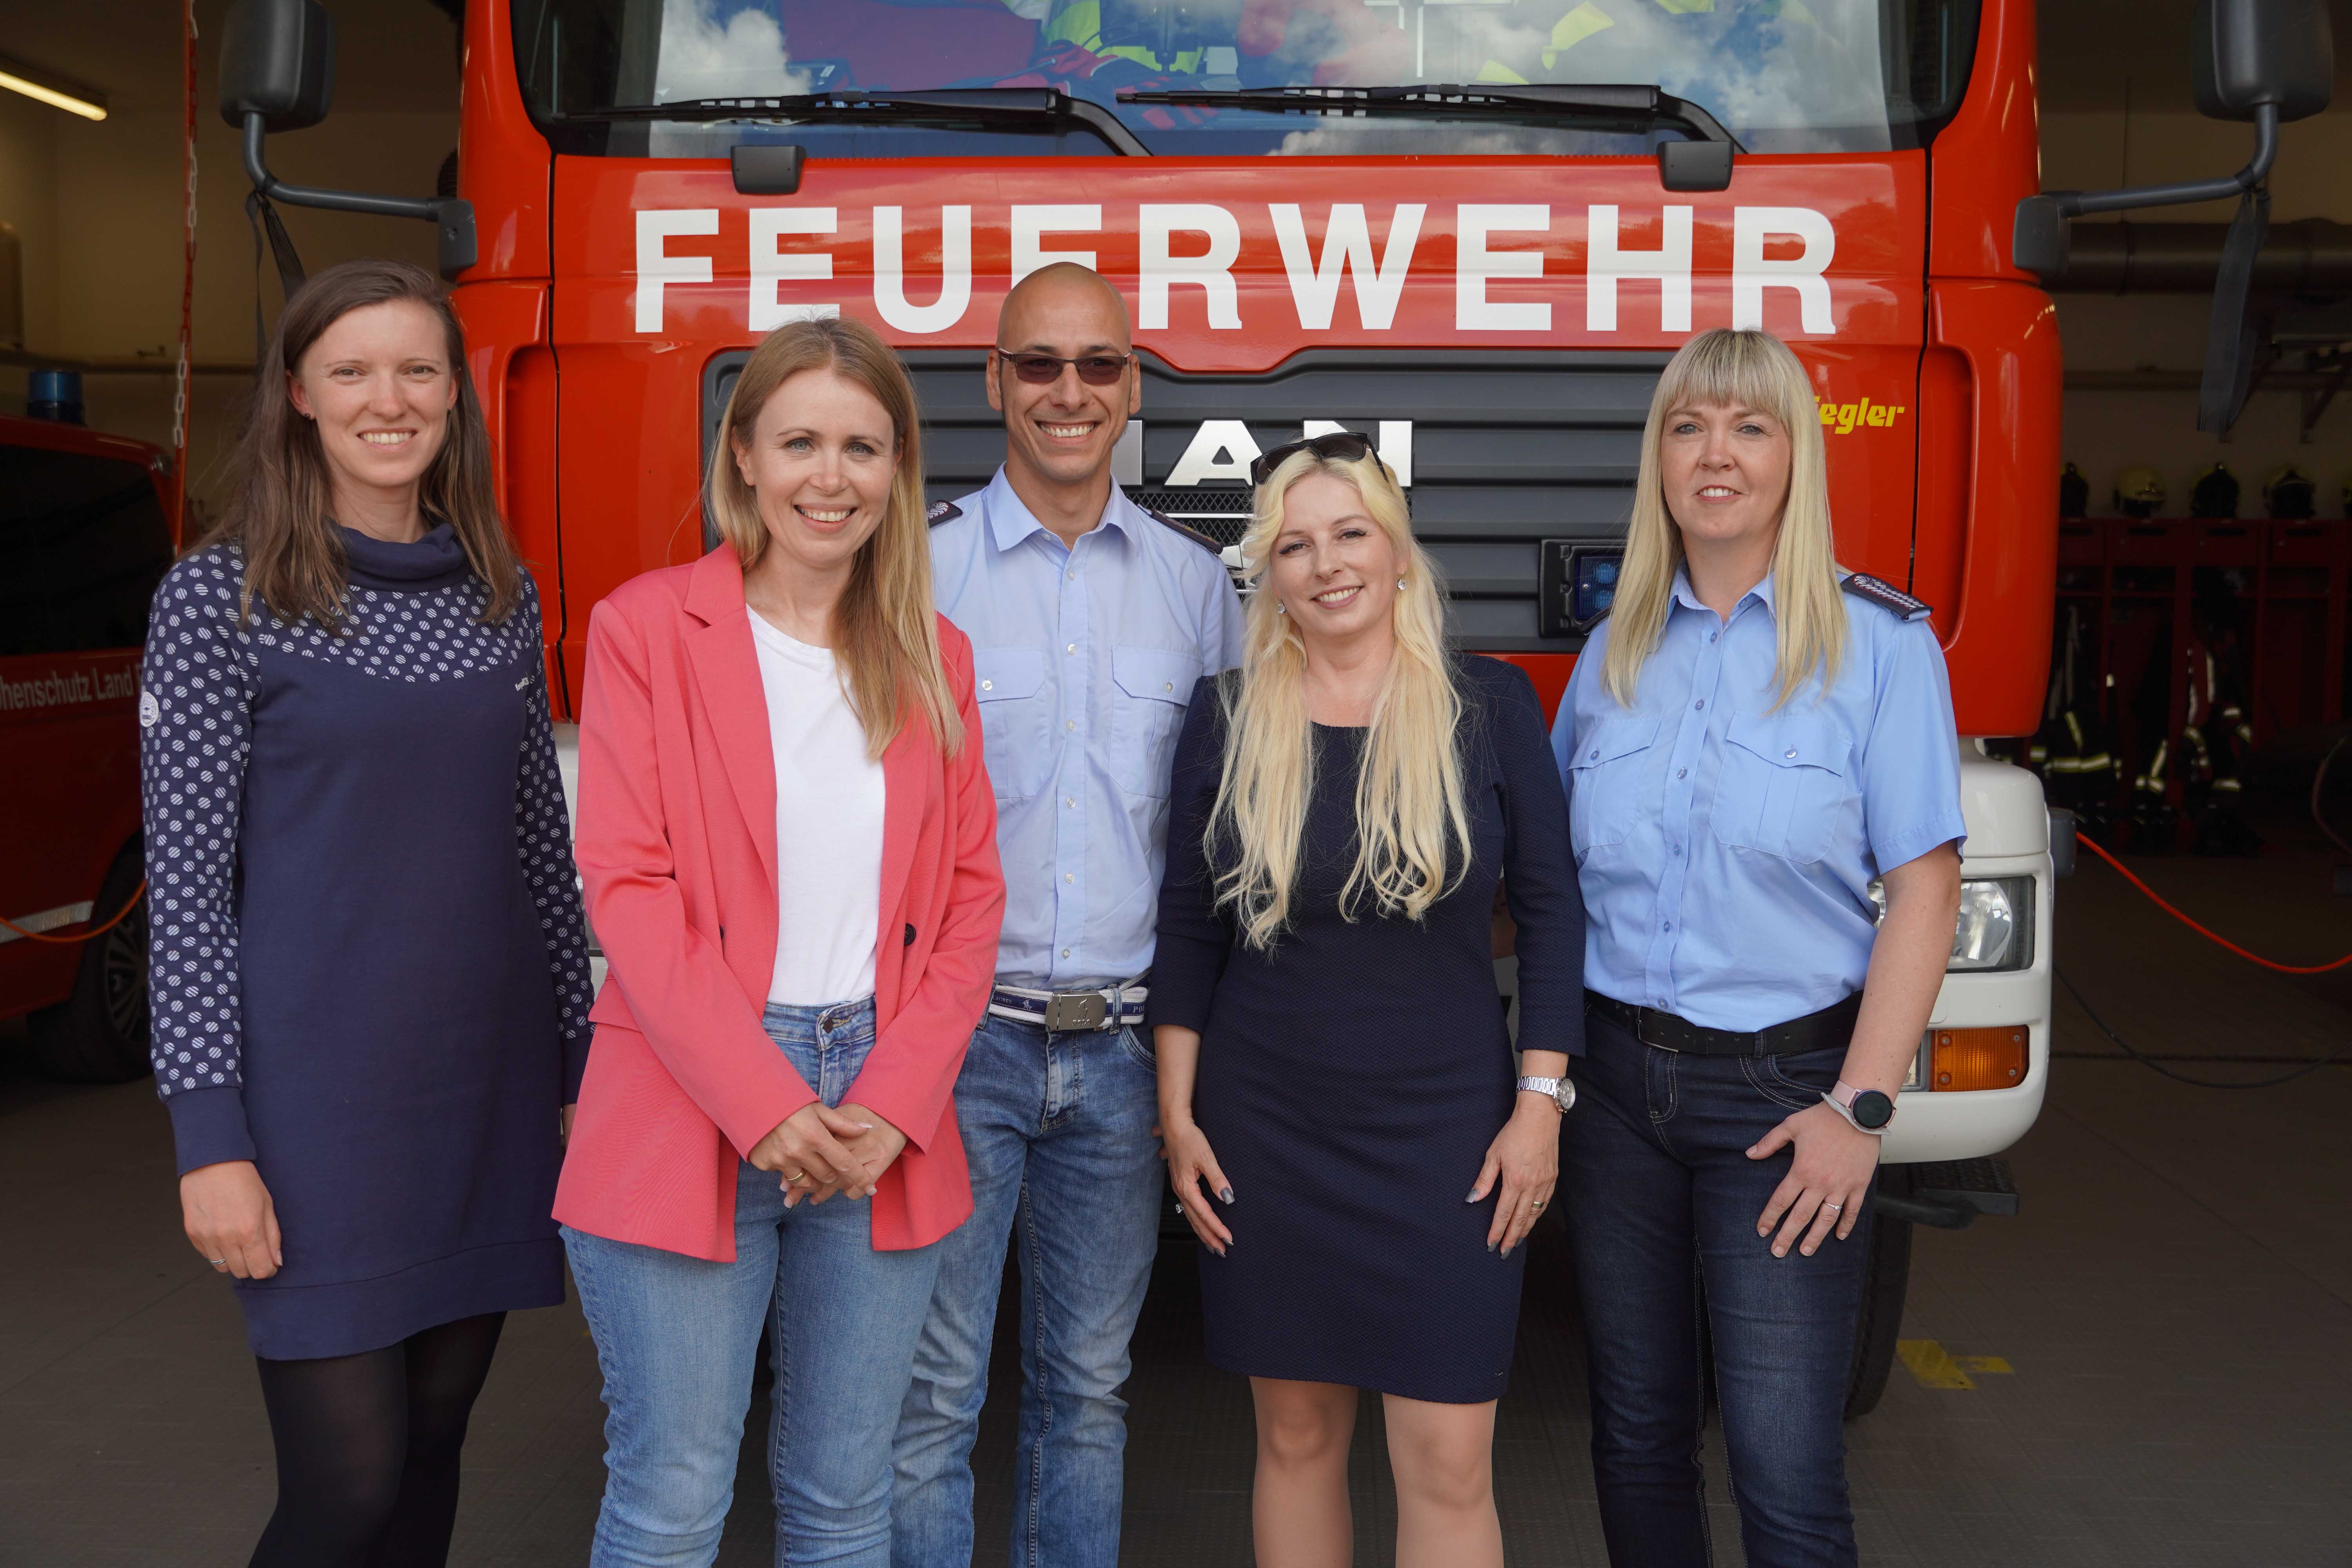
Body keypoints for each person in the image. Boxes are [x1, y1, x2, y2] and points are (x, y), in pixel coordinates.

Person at [141, 258, 593, 1567]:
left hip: (481, 1095)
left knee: (435, 1448)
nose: (386, 399)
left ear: (456, 394)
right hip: (314, 1115)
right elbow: (183, 901)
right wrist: (208, 1138)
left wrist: (580, 1062)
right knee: (346, 1484)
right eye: (352, 371)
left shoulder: (494, 595)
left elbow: (536, 855)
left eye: (416, 369)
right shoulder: (215, 604)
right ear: (298, 396)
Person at [554, 315, 1005, 1568]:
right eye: (799, 441)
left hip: (880, 1110)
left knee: (846, 1500)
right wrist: (762, 1100)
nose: (831, 476)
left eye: (863, 448)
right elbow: (630, 888)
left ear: (899, 470)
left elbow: (973, 900)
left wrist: (895, 1097)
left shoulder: (935, 656)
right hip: (684, 1091)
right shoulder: (647, 629)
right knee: (672, 1498)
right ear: (741, 455)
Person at [1548, 327, 1966, 1568]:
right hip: (1617, 1094)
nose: (1714, 455)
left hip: (1786, 1098)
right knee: (1633, 1438)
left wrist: (1862, 1108)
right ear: (1658, 461)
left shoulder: (1879, 650)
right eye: (1687, 428)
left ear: (1797, 459)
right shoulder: (1614, 653)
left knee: (1784, 1468)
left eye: (1749, 427)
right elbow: (1549, 880)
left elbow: (1926, 892)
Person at [1147, 435, 1585, 1568]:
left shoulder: (1489, 706)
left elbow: (1554, 912)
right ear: (1270, 573)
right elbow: (1192, 929)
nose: (1326, 563)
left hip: (1450, 1136)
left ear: (1396, 549)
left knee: (1447, 1455)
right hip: (1267, 1130)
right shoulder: (1231, 713)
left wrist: (1539, 1106)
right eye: (1295, 545)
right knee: (1294, 1438)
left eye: (1350, 533)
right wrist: (1178, 1117)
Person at [893, 261, 1243, 1568]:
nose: (1068, 392)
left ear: (1132, 390)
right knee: (930, 1404)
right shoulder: (911, 574)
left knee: (1086, 1399)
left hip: (1123, 1053)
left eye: (1098, 366)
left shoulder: (1195, 587)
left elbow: (1221, 833)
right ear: (994, 384)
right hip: (956, 1045)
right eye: (1038, 364)